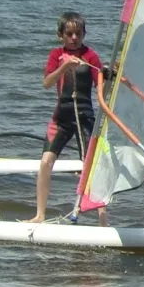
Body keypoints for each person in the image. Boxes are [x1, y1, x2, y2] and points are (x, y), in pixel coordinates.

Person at [33, 12, 103, 223]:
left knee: (91, 167)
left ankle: (103, 218)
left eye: (78, 33)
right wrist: (64, 67)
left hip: (84, 117)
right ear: (60, 35)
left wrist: (109, 76)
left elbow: (102, 91)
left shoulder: (90, 56)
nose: (74, 38)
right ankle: (40, 215)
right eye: (69, 33)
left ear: (84, 34)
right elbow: (46, 83)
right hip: (61, 118)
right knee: (46, 162)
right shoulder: (56, 55)